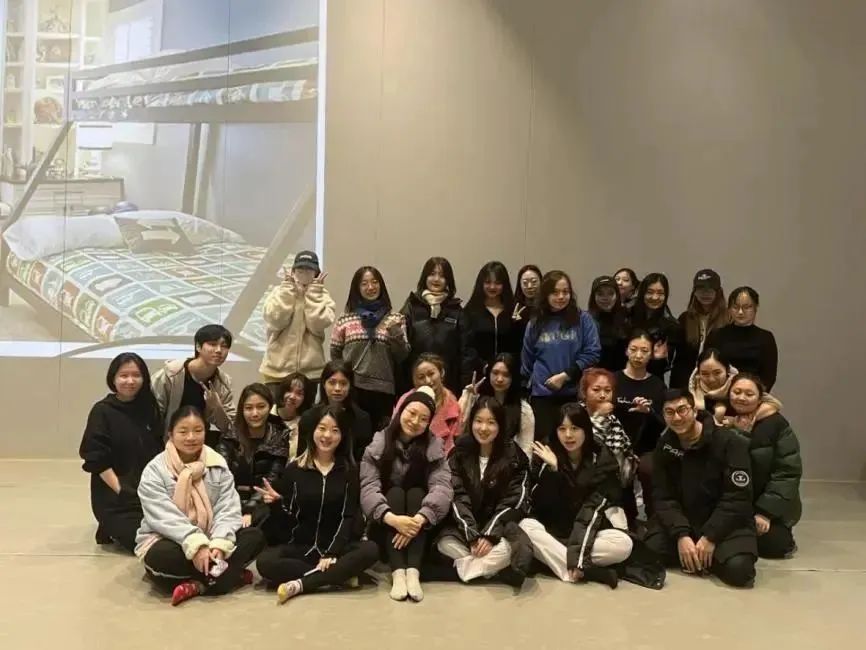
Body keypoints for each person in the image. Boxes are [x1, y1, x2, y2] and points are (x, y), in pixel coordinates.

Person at [135, 406, 266, 605]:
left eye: (198, 431)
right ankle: (227, 576)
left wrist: (219, 543)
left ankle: (199, 585)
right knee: (160, 557)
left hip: (212, 536)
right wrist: (196, 545)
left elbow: (228, 509)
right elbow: (163, 517)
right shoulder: (155, 470)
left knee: (254, 536)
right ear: (170, 434)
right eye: (183, 431)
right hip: (171, 539)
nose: (191, 437)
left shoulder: (217, 464)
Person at [254, 406, 380, 602]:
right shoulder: (294, 470)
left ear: (342, 436)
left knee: (370, 549)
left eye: (335, 430)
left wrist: (332, 552)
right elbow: (288, 523)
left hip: (337, 549)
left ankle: (301, 584)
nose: (327, 435)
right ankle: (339, 577)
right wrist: (276, 505)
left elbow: (348, 517)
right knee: (265, 562)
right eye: (322, 428)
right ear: (312, 430)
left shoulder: (349, 471)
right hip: (302, 548)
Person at [644, 390, 757, 588]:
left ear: (695, 411)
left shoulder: (730, 443)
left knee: (740, 571)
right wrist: (681, 535)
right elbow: (663, 497)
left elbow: (737, 497)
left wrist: (710, 536)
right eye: (669, 412)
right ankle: (697, 556)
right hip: (685, 520)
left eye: (682, 410)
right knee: (648, 554)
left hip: (723, 523)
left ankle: (701, 557)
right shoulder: (665, 446)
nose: (677, 418)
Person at [519, 403, 633, 588]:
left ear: (585, 429)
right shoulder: (545, 453)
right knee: (525, 526)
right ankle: (588, 571)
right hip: (552, 528)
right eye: (562, 429)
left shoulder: (601, 458)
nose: (568, 435)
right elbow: (539, 505)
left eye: (574, 428)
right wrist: (554, 471)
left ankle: (556, 560)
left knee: (623, 544)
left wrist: (577, 554)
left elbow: (591, 511)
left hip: (587, 528)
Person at [361, 386, 453, 602]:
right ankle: (398, 572)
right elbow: (368, 486)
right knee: (394, 493)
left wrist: (418, 520)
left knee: (415, 493)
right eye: (412, 413)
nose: (415, 421)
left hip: (421, 525)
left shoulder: (433, 446)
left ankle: (413, 572)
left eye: (423, 419)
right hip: (384, 522)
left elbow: (442, 487)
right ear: (401, 410)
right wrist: (392, 519)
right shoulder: (379, 442)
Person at [436, 397, 530, 587]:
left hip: (499, 529)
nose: (483, 428)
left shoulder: (515, 457)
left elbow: (515, 501)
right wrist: (472, 535)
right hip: (464, 530)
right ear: (471, 422)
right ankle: (490, 570)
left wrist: (489, 535)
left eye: (491, 422)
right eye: (478, 421)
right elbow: (456, 497)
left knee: (513, 547)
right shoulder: (459, 453)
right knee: (444, 544)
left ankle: (466, 570)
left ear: (500, 425)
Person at [79, 353, 164, 553]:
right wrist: (123, 491)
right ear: (113, 378)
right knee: (143, 540)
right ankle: (108, 525)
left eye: (136, 375)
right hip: (117, 498)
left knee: (173, 530)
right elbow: (97, 460)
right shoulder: (102, 411)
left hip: (149, 493)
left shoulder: (149, 408)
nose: (130, 381)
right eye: (124, 375)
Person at [727, 374, 801, 559]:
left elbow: (787, 472)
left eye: (749, 394)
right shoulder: (721, 420)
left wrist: (765, 512)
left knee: (775, 545)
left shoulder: (776, 424)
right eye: (736, 392)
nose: (741, 398)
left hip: (765, 505)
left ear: (760, 398)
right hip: (732, 504)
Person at [521, 270, 601, 443]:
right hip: (542, 395)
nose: (561, 297)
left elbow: (592, 353)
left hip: (573, 393)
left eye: (565, 292)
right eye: (555, 292)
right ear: (546, 294)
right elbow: (527, 359)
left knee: (570, 442)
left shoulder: (583, 319)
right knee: (544, 444)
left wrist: (566, 375)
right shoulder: (535, 322)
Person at [331, 266, 410, 430]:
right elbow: (335, 354)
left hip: (383, 393)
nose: (370, 287)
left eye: (375, 282)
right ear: (357, 288)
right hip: (353, 389)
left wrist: (395, 332)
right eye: (364, 283)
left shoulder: (396, 319)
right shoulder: (345, 320)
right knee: (352, 435)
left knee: (380, 438)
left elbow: (402, 356)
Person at [216, 384, 289, 536]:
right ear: (242, 410)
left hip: (261, 501)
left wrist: (249, 510)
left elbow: (271, 479)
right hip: (229, 500)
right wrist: (237, 509)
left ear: (270, 407)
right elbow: (220, 475)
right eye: (249, 408)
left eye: (261, 407)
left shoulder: (279, 437)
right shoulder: (230, 436)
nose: (255, 413)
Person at [259, 250, 336, 391]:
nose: (304, 273)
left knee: (307, 406)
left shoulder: (323, 296)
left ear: (316, 273)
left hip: (310, 373)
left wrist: (314, 293)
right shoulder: (279, 291)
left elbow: (317, 324)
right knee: (274, 406)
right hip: (276, 371)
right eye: (300, 269)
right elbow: (276, 321)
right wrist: (287, 291)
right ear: (293, 271)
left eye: (309, 269)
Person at [151, 324, 235, 444]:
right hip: (165, 442)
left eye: (224, 346)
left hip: (198, 444)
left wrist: (217, 407)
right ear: (198, 347)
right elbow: (152, 415)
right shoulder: (170, 375)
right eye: (212, 344)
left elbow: (230, 429)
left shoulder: (223, 382)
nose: (218, 350)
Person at [614, 331, 667, 517]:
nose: (638, 355)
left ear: (651, 354)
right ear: (626, 351)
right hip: (615, 445)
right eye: (633, 349)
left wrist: (648, 412)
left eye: (644, 351)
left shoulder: (657, 385)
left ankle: (653, 518)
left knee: (650, 469)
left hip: (647, 448)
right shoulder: (613, 380)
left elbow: (663, 423)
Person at [401, 256, 471, 396]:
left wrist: (465, 387)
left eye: (442, 276)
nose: (436, 279)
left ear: (448, 280)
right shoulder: (411, 307)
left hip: (448, 384)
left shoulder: (456, 310)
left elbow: (466, 353)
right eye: (432, 274)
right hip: (416, 382)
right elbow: (401, 349)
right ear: (425, 277)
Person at [458, 352, 534, 456]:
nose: (499, 379)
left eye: (506, 375)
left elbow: (526, 447)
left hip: (507, 461)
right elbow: (459, 429)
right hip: (475, 458)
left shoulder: (523, 409)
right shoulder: (477, 399)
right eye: (495, 373)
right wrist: (468, 396)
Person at [297, 361, 374, 461]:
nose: (337, 388)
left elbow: (363, 460)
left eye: (343, 383)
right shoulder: (309, 417)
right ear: (323, 384)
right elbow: (301, 457)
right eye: (332, 383)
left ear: (350, 386)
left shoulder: (361, 418)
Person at [705, 287, 778, 391]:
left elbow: (769, 376)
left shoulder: (766, 338)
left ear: (755, 308)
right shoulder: (716, 335)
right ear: (729, 309)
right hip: (720, 392)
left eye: (746, 307)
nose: (740, 312)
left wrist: (753, 394)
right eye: (735, 307)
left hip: (753, 394)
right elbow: (706, 367)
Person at [578, 368, 637, 496]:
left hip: (615, 480)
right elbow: (589, 443)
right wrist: (599, 416)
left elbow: (626, 450)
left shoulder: (612, 418)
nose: (603, 395)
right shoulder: (575, 414)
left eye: (608, 390)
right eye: (596, 390)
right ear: (584, 392)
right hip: (587, 479)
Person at [688, 348, 781, 424]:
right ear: (698, 373)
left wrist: (745, 419)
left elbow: (774, 403)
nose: (711, 379)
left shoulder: (738, 383)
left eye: (717, 373)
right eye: (705, 374)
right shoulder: (692, 390)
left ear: (727, 370)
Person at [670, 270, 728, 389]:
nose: (705, 294)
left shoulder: (728, 319)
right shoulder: (685, 318)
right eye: (700, 289)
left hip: (717, 381)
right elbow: (679, 359)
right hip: (686, 380)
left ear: (718, 292)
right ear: (694, 292)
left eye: (710, 290)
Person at [395, 354, 462, 454]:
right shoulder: (405, 400)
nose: (428, 381)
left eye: (431, 374)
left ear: (442, 373)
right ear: (414, 380)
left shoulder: (453, 407)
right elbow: (392, 432)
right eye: (421, 377)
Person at [464, 261, 521, 374]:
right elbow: (467, 346)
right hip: (480, 372)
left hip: (507, 373)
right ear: (481, 283)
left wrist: (518, 324)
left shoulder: (513, 309)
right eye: (488, 282)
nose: (492, 287)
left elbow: (518, 346)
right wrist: (483, 365)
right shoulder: (470, 310)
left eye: (497, 283)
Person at [629, 273, 681, 381]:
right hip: (624, 376)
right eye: (650, 292)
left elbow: (667, 364)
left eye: (660, 293)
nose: (655, 297)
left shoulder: (671, 325)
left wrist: (657, 358)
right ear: (642, 293)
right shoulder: (627, 314)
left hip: (653, 379)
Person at [587, 275, 629, 371]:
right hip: (594, 375)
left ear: (617, 295)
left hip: (621, 375)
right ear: (593, 297)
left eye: (610, 293)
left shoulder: (626, 318)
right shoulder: (586, 321)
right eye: (600, 294)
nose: (605, 298)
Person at [271, 372, 315, 458]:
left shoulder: (306, 421)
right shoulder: (268, 413)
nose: (292, 397)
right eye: (289, 390)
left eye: (299, 393)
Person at [512, 264, 543, 357]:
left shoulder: (549, 307)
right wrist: (515, 323)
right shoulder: (514, 307)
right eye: (525, 283)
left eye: (534, 282)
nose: (529, 286)